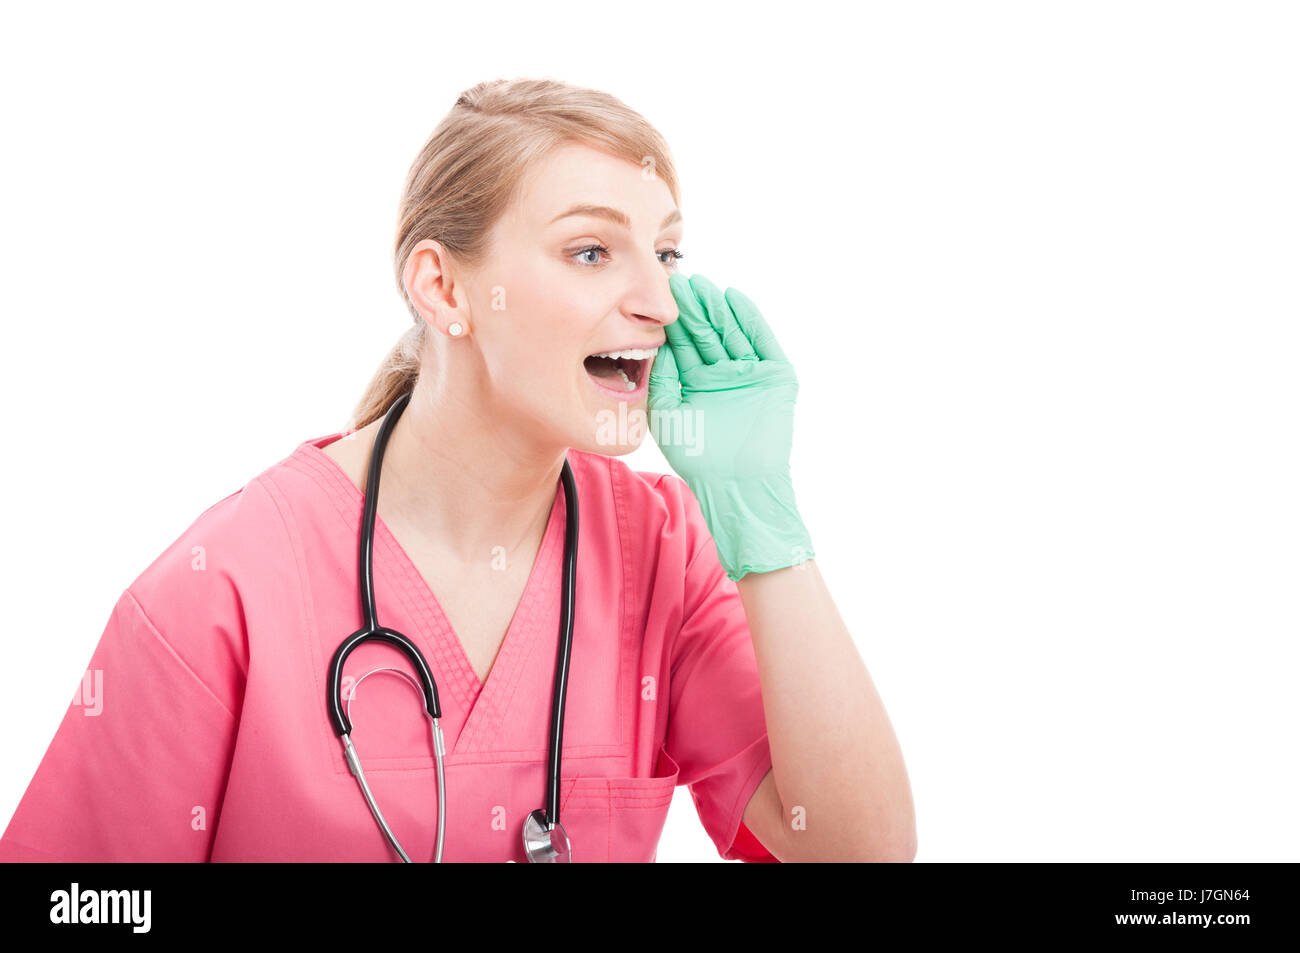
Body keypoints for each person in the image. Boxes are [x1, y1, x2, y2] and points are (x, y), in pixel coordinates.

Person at [0, 78, 915, 863]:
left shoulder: (662, 552)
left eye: (667, 252)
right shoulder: (222, 587)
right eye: (591, 251)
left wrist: (764, 521)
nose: (660, 302)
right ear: (443, 288)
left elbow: (855, 849)